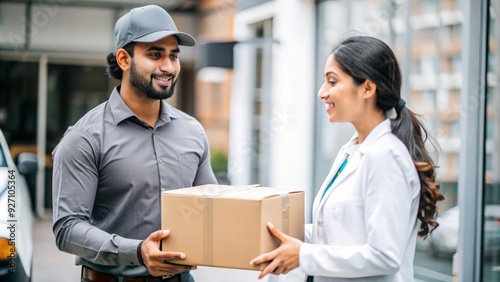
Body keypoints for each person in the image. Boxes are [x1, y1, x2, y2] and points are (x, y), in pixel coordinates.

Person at [250, 36, 445, 281]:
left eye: (332, 81)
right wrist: (285, 237)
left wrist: (304, 255)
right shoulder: (352, 150)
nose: (322, 92)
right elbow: (338, 233)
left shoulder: (386, 156)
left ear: (367, 88)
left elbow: (385, 255)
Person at [52, 5, 217, 282]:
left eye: (173, 56)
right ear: (124, 59)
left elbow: (210, 207)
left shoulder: (193, 132)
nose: (168, 66)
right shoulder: (84, 138)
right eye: (155, 54)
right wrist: (137, 252)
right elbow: (67, 229)